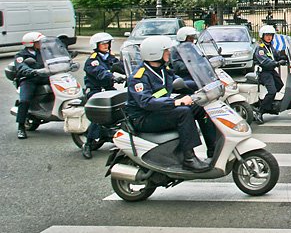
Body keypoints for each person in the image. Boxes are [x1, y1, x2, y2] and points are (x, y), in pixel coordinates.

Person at [124, 35, 212, 172]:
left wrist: (204, 85)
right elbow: (146, 102)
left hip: (157, 112)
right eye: (166, 51)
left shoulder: (163, 70)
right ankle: (189, 159)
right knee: (183, 112)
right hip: (143, 117)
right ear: (155, 53)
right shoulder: (139, 77)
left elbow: (180, 83)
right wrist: (176, 102)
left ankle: (212, 150)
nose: (168, 53)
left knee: (199, 107)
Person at [81, 32, 123, 158]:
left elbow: (120, 66)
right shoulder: (93, 60)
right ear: (96, 45)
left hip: (108, 89)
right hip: (95, 90)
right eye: (103, 44)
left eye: (107, 43)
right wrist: (113, 76)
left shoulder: (110, 57)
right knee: (99, 115)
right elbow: (100, 73)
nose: (106, 46)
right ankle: (88, 144)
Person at [12, 32, 49, 140]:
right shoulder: (20, 55)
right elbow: (21, 66)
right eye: (38, 42)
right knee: (25, 100)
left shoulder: (43, 52)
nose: (41, 44)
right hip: (29, 79)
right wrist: (30, 71)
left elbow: (53, 60)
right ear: (31, 43)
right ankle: (21, 127)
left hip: (44, 77)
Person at [252, 25, 286, 122]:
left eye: (271, 35)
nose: (269, 37)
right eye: (267, 35)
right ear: (262, 36)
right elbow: (265, 62)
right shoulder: (261, 49)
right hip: (263, 72)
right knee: (272, 91)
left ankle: (269, 104)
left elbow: (276, 55)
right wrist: (277, 63)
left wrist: (284, 56)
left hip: (270, 70)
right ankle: (260, 111)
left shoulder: (270, 46)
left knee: (280, 85)